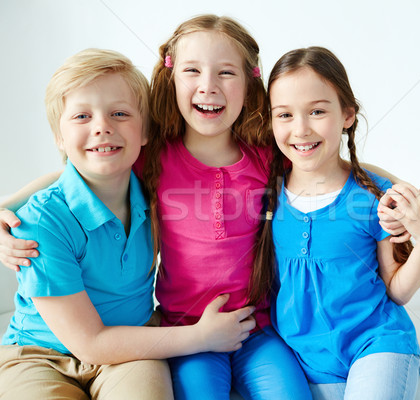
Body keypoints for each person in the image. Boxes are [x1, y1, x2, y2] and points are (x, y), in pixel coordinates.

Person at [0, 48, 258, 399]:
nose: (103, 127)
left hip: (133, 344)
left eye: (120, 113)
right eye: (81, 117)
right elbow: (90, 343)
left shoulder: (151, 184)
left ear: (145, 133)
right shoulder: (40, 222)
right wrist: (201, 336)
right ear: (58, 137)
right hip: (37, 355)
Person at [253, 46, 420, 400]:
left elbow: (396, 291)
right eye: (285, 115)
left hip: (376, 346)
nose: (301, 129)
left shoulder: (373, 197)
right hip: (299, 360)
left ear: (347, 115)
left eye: (318, 111)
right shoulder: (267, 191)